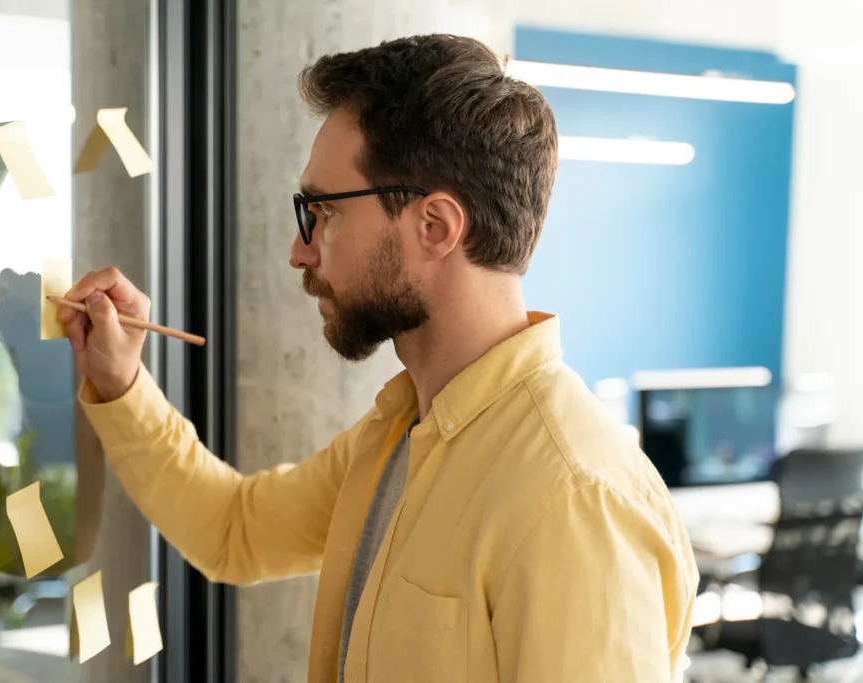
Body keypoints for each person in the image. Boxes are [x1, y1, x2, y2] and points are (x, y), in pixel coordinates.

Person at [59, 34, 698, 683]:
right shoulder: (397, 434)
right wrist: (121, 380)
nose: (298, 252)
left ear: (436, 227)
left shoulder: (574, 498)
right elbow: (235, 530)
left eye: (322, 212)